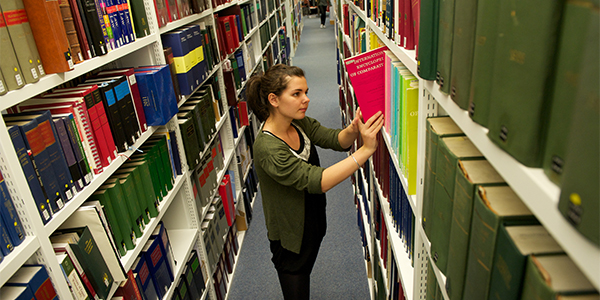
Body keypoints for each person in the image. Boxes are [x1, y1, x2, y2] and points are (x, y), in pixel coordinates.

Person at [246, 64, 384, 300]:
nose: (306, 99)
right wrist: (365, 150)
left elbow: (336, 140)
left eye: (306, 92)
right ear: (274, 100)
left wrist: (353, 127)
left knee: (306, 272)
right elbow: (317, 181)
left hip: (313, 221)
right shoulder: (267, 148)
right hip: (291, 238)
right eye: (296, 94)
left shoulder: (298, 123)